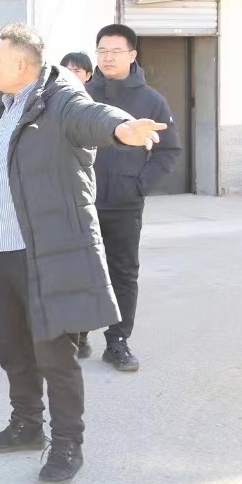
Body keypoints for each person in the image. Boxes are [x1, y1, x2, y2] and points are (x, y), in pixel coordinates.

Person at [0, 23, 166, 484]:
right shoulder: (0, 105)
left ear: (22, 65)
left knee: (53, 353)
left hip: (45, 248)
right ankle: (25, 424)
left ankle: (67, 443)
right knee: (12, 347)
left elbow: (92, 116)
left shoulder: (60, 100)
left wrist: (122, 128)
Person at [85, 24, 180, 372]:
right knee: (80, 268)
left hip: (124, 203)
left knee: (123, 272)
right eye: (102, 51)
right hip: (82, 201)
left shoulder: (151, 100)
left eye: (116, 51)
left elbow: (169, 150)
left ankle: (117, 342)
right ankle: (78, 333)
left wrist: (138, 185)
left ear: (132, 55)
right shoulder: (82, 96)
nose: (108, 58)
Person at [59, 51, 96, 359]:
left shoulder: (91, 107)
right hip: (60, 200)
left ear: (88, 75)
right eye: (67, 69)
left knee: (86, 273)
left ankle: (82, 336)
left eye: (78, 70)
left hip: (88, 200)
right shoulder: (53, 104)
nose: (72, 74)